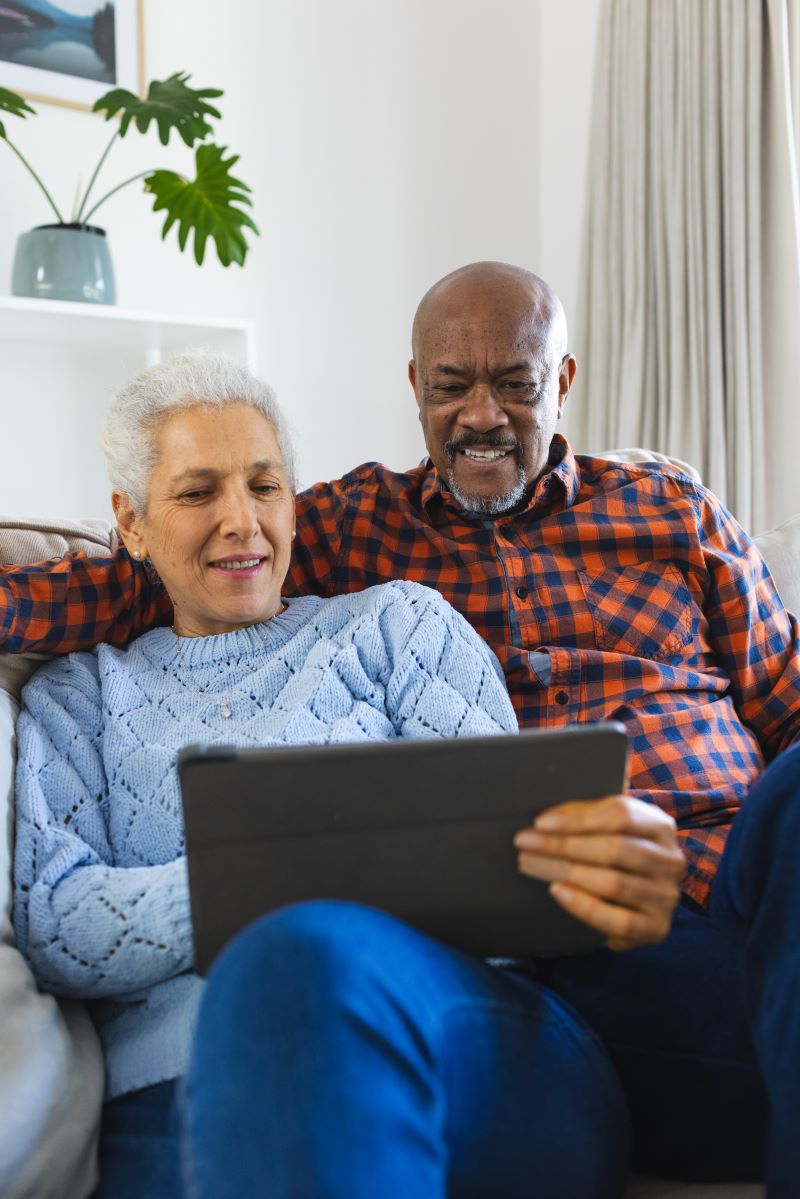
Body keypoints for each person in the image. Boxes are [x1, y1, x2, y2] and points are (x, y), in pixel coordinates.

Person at [4, 260, 796, 1190]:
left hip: (724, 893)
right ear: (416, 389)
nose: (483, 415)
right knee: (304, 961)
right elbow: (59, 914)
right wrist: (282, 877)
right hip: (557, 956)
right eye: (453, 385)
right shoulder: (339, 536)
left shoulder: (637, 517)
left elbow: (784, 699)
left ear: (563, 383)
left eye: (266, 485)